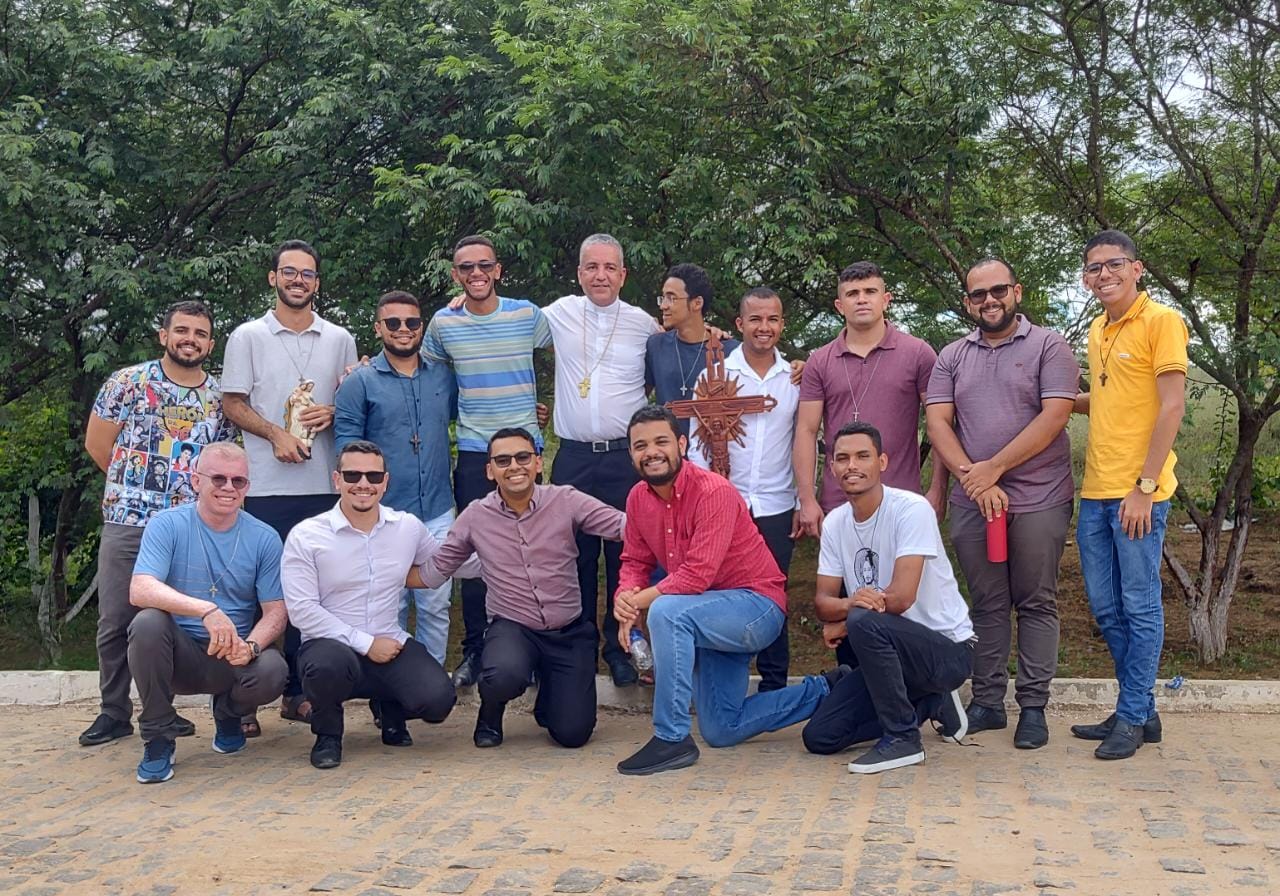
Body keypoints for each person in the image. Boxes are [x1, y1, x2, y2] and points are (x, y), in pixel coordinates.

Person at [613, 405, 834, 776]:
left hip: (755, 608)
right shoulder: (637, 498)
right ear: (631, 454)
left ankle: (671, 738)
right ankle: (827, 689)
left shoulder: (713, 491)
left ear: (681, 444)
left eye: (661, 441)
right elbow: (634, 561)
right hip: (704, 615)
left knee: (666, 611)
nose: (651, 452)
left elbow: (696, 575)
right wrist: (624, 598)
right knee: (722, 728)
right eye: (640, 445)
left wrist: (639, 602)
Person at [925, 258, 1079, 749]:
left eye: (998, 291)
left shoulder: (1049, 346)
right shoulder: (952, 356)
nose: (989, 301)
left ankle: (1033, 707)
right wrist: (975, 479)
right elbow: (938, 423)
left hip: (1039, 497)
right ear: (968, 302)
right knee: (987, 602)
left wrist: (993, 468)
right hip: (975, 500)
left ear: (1017, 291)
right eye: (978, 295)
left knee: (1036, 600)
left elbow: (1055, 416)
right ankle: (988, 702)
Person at [79, 300, 239, 748]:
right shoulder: (128, 382)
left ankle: (161, 709)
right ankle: (114, 711)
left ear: (210, 344)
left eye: (200, 334)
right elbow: (98, 444)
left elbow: (221, 462)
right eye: (182, 330)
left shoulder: (220, 399)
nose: (190, 340)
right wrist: (134, 489)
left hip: (189, 526)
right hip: (129, 519)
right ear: (164, 335)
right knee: (116, 618)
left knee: (171, 621)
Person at [221, 239, 358, 728]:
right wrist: (275, 433)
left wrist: (335, 410)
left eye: (307, 273)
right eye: (289, 272)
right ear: (273, 278)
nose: (298, 280)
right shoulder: (248, 336)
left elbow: (354, 400)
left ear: (317, 282)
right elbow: (232, 403)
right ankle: (242, 698)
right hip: (265, 486)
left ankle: (298, 691)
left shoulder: (340, 338)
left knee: (312, 593)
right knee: (254, 591)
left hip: (323, 484)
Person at [424, 428, 626, 749]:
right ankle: (491, 711)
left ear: (538, 463)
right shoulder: (475, 516)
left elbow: (622, 526)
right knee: (503, 675)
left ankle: (551, 695)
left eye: (522, 457)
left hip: (567, 631)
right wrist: (386, 569)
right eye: (503, 460)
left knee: (572, 734)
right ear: (490, 470)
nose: (514, 466)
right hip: (514, 629)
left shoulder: (566, 500)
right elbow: (437, 569)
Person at [1069, 230, 1187, 760]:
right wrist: (1055, 400)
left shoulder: (1162, 320)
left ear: (1137, 268)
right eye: (1094, 268)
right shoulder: (1098, 329)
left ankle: (1133, 714)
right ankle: (1140, 708)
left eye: (1114, 264)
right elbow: (1109, 399)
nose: (1104, 275)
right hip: (1096, 491)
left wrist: (1144, 486)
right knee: (1106, 606)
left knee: (1140, 605)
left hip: (1140, 492)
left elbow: (1171, 406)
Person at [282, 441, 472, 769]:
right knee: (325, 667)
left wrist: (506, 558)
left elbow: (444, 563)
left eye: (373, 476)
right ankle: (328, 734)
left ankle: (389, 709)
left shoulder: (407, 527)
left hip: (389, 641)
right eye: (353, 475)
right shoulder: (306, 535)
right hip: (329, 645)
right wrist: (367, 644)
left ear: (385, 482)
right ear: (337, 480)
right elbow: (302, 611)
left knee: (438, 700)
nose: (363, 484)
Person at [800, 422, 975, 774]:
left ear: (882, 462)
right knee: (820, 736)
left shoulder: (911, 509)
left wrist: (847, 621)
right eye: (842, 458)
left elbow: (901, 598)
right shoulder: (835, 523)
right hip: (890, 656)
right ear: (831, 467)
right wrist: (848, 607)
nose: (852, 465)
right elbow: (823, 603)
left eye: (862, 456)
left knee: (863, 621)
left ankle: (903, 739)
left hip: (946, 651)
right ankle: (930, 702)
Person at [422, 235, 552, 688]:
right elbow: (422, 375)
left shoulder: (527, 315)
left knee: (535, 551)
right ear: (455, 274)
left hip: (525, 450)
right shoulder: (443, 323)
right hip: (476, 451)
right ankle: (476, 650)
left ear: (498, 270)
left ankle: (534, 650)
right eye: (466, 267)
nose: (476, 274)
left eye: (484, 265)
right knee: (476, 554)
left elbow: (578, 350)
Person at [126, 443, 288, 783]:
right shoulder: (166, 524)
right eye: (218, 479)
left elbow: (276, 611)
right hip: (178, 652)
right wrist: (205, 610)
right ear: (195, 480)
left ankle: (229, 714)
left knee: (273, 669)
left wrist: (251, 647)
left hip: (232, 655)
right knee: (147, 624)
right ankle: (158, 737)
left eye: (238, 481)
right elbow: (140, 589)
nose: (228, 488)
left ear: (247, 487)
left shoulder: (265, 537)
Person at [543, 234, 661, 687]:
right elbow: (503, 318)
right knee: (572, 557)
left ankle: (621, 648)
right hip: (573, 458)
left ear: (623, 274)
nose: (601, 276)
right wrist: (462, 302)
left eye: (610, 267)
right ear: (579, 273)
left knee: (625, 556)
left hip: (623, 460)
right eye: (592, 267)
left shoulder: (642, 323)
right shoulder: (558, 313)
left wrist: (714, 335)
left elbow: (681, 348)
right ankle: (576, 649)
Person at [334, 290, 458, 666]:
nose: (403, 329)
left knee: (436, 604)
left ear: (421, 326)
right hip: (383, 515)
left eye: (412, 322)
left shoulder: (444, 376)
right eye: (393, 322)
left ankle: (432, 680)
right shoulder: (359, 382)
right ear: (378, 328)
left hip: (437, 508)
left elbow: (470, 415)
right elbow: (346, 447)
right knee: (388, 608)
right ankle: (391, 686)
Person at [688, 287, 799, 691]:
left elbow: (803, 441)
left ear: (781, 324)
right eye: (755, 319)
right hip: (723, 505)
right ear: (739, 324)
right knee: (720, 594)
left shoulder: (796, 379)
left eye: (772, 319)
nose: (764, 327)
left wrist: (802, 501)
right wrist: (706, 503)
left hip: (776, 503)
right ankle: (722, 688)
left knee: (774, 594)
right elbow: (697, 446)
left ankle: (774, 685)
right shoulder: (715, 377)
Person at [793, 261, 945, 536]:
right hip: (839, 503)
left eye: (870, 291)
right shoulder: (820, 361)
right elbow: (806, 430)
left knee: (906, 567)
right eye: (852, 294)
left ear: (885, 300)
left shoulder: (918, 354)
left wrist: (937, 489)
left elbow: (940, 425)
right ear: (839, 305)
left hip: (903, 502)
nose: (861, 299)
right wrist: (807, 499)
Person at [645, 263, 741, 433]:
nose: (663, 306)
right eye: (663, 298)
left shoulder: (730, 351)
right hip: (669, 446)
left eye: (671, 298)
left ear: (697, 303)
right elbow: (639, 395)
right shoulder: (656, 346)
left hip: (715, 445)